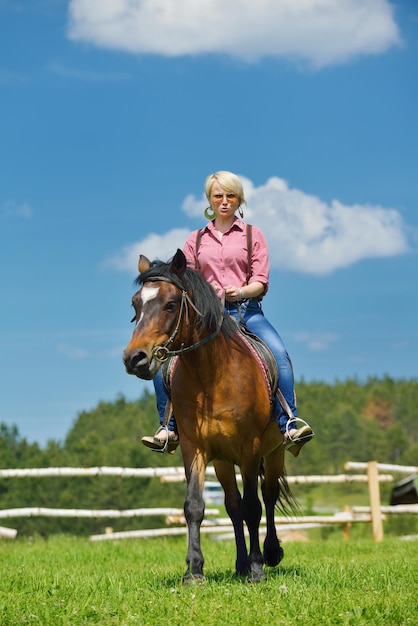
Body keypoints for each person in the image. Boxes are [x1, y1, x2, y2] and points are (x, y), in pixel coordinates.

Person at [142, 171, 314, 457]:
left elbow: (261, 280)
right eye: (218, 196)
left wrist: (241, 291)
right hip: (207, 318)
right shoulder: (195, 240)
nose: (224, 201)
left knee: (279, 354)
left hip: (247, 311)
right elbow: (187, 281)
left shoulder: (252, 234)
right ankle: (168, 427)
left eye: (230, 196)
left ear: (238, 200)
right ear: (210, 200)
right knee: (166, 362)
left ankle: (289, 422)